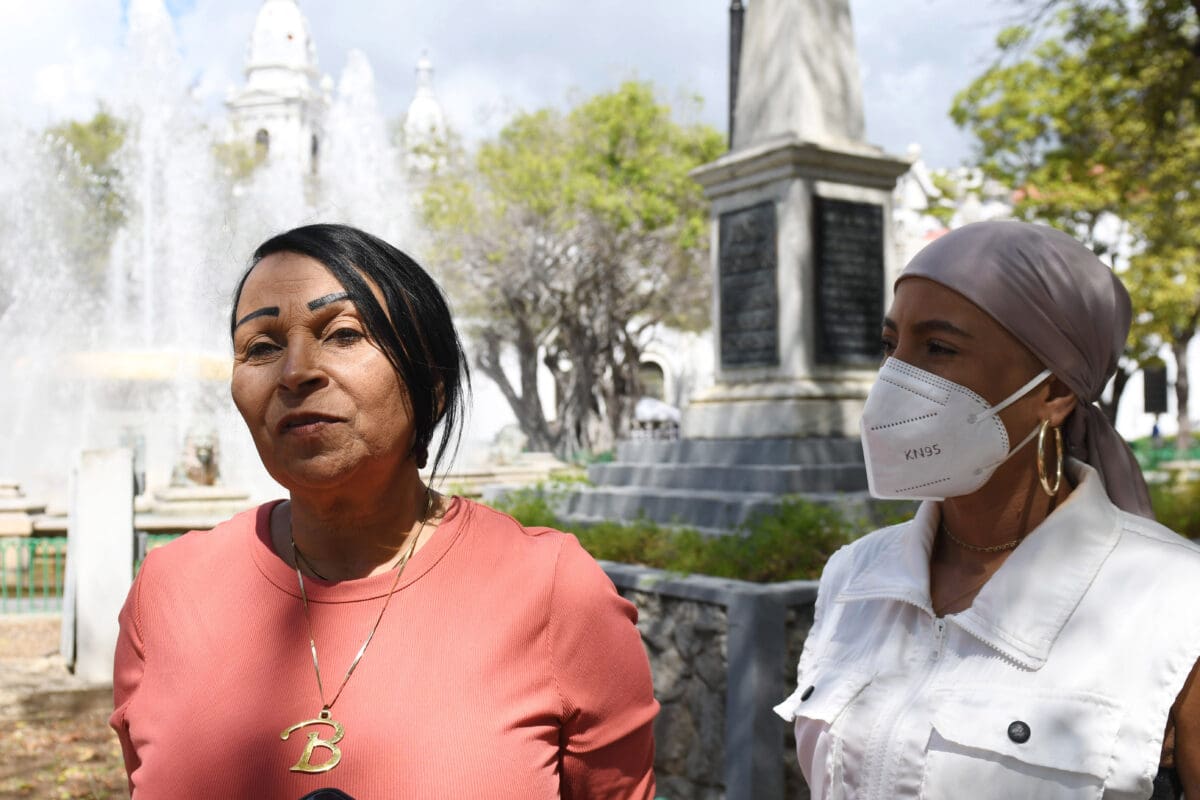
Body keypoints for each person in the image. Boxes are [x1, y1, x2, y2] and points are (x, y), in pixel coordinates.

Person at [110, 224, 658, 799]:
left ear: (432, 385)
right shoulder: (168, 591)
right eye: (262, 347)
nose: (295, 371)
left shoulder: (553, 593)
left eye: (343, 333)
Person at [776, 221, 1200, 799]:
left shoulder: (1175, 605)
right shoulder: (853, 577)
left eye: (939, 348)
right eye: (890, 346)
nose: (893, 380)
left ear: (1052, 394)